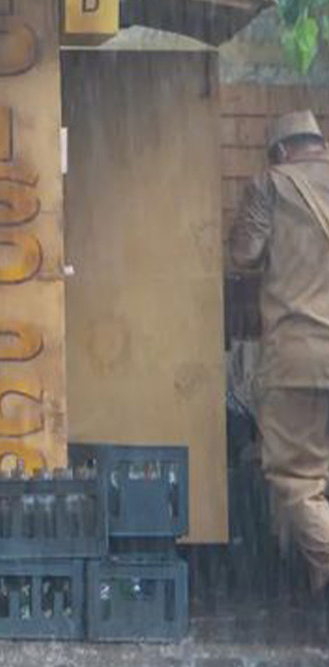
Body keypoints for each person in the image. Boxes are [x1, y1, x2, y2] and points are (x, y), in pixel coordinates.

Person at [232, 109, 329, 592]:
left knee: (298, 479)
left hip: (299, 357)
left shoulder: (271, 184)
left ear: (282, 151)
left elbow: (244, 254)